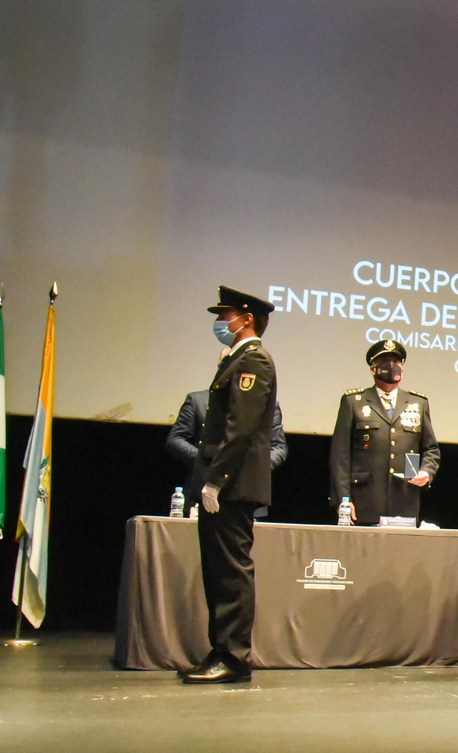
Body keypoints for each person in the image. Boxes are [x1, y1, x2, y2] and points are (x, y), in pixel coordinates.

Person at [184, 286, 277, 685]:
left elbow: (239, 431)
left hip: (233, 487)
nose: (221, 323)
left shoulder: (254, 360)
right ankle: (221, 648)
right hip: (226, 484)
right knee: (217, 571)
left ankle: (235, 657)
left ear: (246, 320)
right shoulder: (236, 358)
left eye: (225, 317)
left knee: (232, 574)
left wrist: (215, 482)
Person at [327, 339, 440, 526]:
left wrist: (426, 472)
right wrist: (343, 499)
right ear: (373, 369)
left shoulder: (417, 403)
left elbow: (431, 449)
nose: (391, 366)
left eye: (396, 362)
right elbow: (340, 456)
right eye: (385, 361)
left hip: (405, 502)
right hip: (364, 502)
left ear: (402, 369)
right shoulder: (354, 402)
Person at [167, 352, 288, 519]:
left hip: (246, 492)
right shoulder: (198, 401)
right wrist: (210, 462)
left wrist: (251, 466)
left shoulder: (268, 406)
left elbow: (279, 447)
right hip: (204, 489)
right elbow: (175, 439)